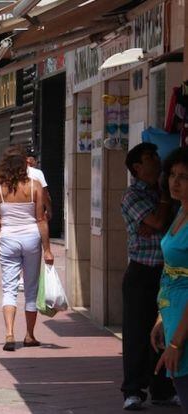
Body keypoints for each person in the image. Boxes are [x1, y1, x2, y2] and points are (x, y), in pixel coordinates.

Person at [120, 143, 177, 409]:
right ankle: (133, 390)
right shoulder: (133, 195)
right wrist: (161, 210)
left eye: (156, 155)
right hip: (142, 272)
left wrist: (157, 219)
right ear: (137, 167)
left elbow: (162, 223)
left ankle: (162, 389)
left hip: (168, 272)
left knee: (165, 330)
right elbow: (158, 222)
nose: (156, 159)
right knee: (137, 332)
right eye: (149, 157)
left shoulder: (165, 189)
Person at [0, 146, 53, 352]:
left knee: (9, 288)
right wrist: (47, 249)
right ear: (24, 164)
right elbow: (41, 219)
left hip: (8, 239)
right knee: (31, 289)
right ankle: (29, 335)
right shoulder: (34, 185)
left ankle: (9, 333)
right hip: (32, 238)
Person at [151, 147, 188, 408]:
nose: (175, 182)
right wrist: (161, 317)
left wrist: (176, 343)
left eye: (184, 177)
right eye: (173, 174)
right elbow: (169, 271)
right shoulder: (180, 212)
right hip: (173, 315)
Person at [26, 148, 52, 221]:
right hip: (34, 211)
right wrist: (49, 210)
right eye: (36, 160)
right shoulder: (38, 173)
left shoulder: (15, 173)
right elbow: (45, 193)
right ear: (30, 160)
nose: (36, 163)